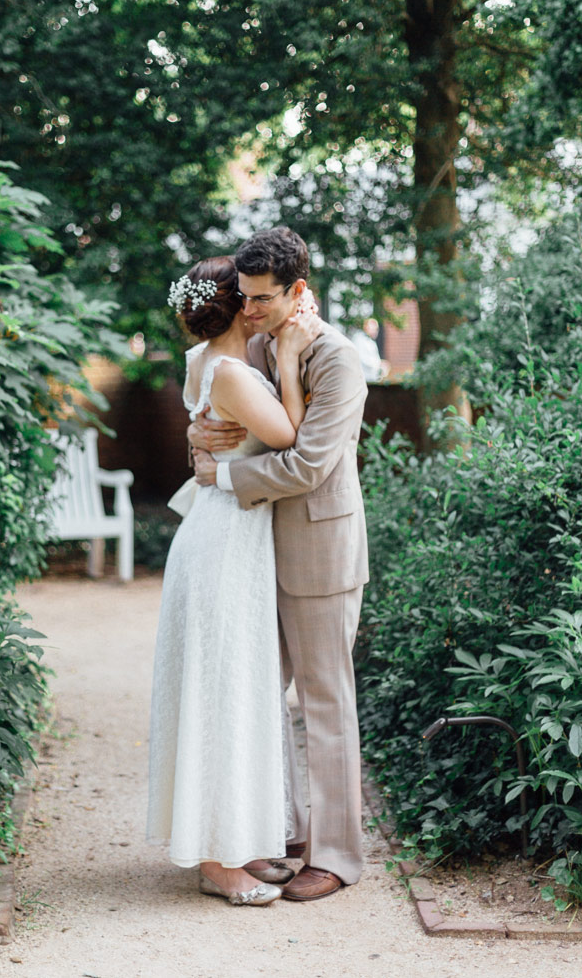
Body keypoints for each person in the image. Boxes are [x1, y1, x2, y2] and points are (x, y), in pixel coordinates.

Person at [191, 226, 369, 902]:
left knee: (325, 703)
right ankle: (282, 828)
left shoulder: (339, 359)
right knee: (259, 694)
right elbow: (226, 419)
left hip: (321, 553)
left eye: (264, 298)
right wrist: (197, 434)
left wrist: (220, 478)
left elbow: (307, 463)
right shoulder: (257, 345)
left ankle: (338, 855)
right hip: (253, 551)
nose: (250, 309)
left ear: (298, 290)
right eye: (244, 295)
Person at [146, 255, 320, 906]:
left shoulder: (204, 363)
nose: (257, 305)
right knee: (223, 693)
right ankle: (218, 862)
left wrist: (202, 436)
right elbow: (292, 436)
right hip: (225, 539)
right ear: (237, 306)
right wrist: (295, 361)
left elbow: (216, 434)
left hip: (222, 531)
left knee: (234, 689)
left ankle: (236, 839)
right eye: (246, 297)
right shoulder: (231, 372)